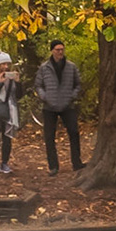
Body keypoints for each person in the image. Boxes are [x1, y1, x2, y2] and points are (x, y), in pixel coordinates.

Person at [35, 40, 83, 174]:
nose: (60, 52)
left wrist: (71, 96)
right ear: (52, 51)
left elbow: (78, 84)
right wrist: (44, 96)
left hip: (67, 105)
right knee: (49, 136)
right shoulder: (44, 68)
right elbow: (38, 85)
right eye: (57, 49)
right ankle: (53, 166)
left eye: (62, 49)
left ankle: (77, 163)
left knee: (74, 132)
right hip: (49, 107)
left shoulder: (71, 67)